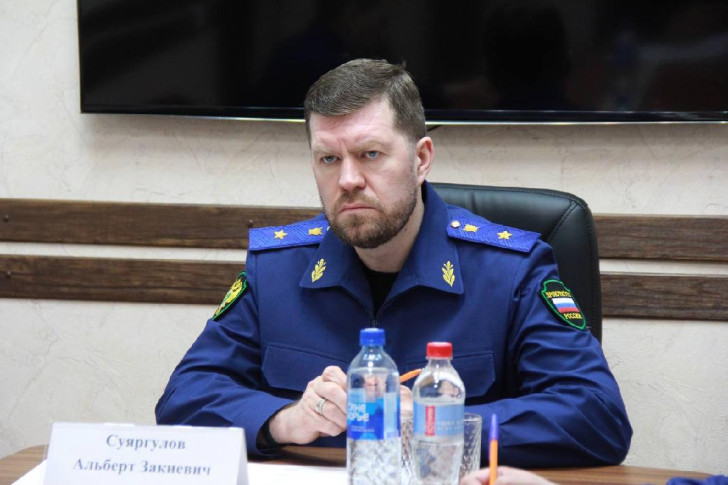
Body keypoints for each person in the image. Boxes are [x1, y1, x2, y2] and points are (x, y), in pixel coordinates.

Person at [155, 58, 632, 467]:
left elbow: (598, 415)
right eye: (328, 159)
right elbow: (184, 397)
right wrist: (284, 420)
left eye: (370, 154)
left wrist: (438, 423)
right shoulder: (276, 267)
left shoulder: (510, 270)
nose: (348, 180)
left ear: (421, 159)